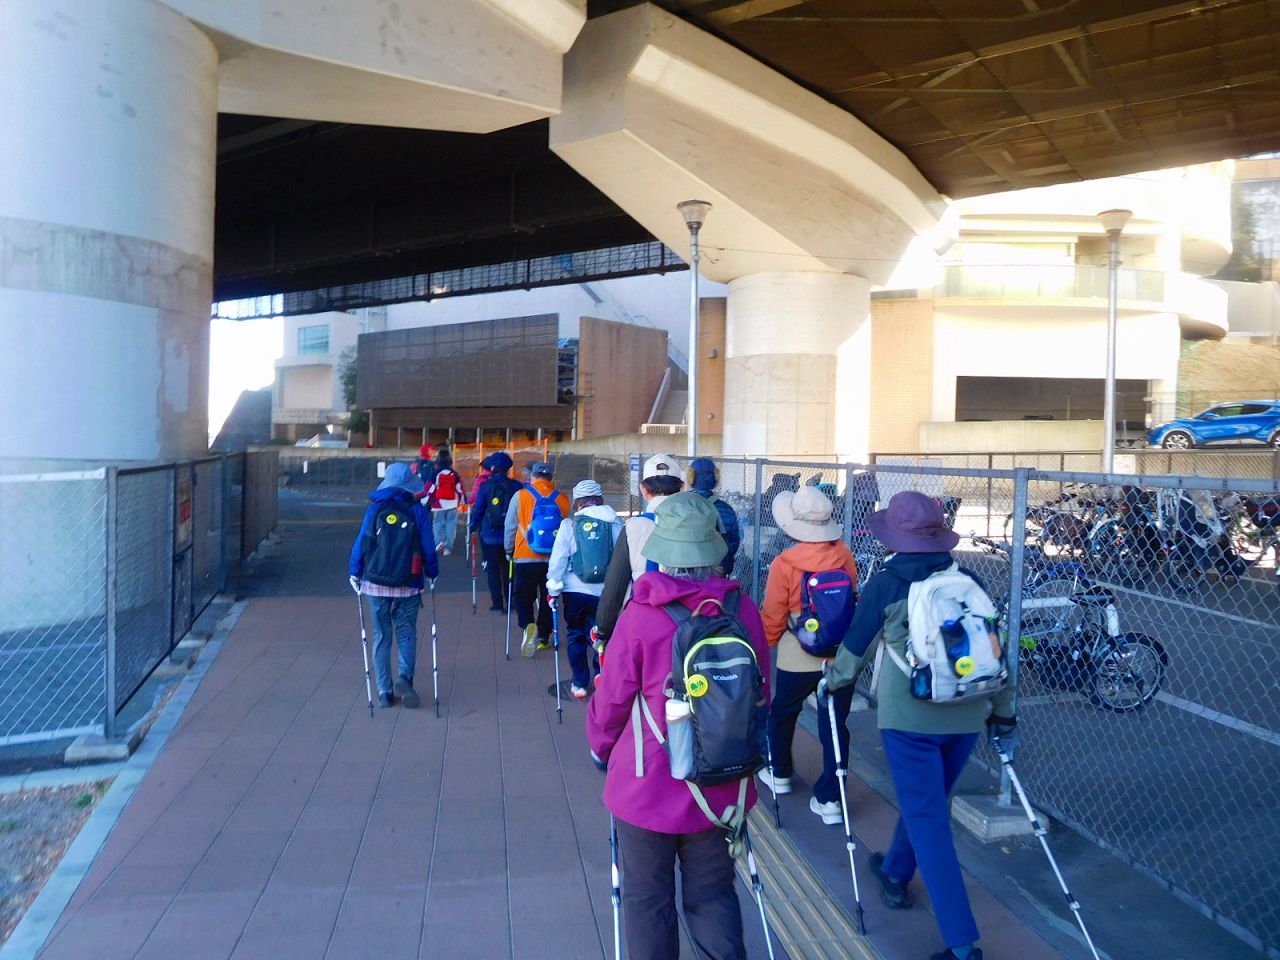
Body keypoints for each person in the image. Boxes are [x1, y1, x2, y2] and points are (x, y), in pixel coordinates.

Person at [820, 491, 1017, 960]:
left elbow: (855, 648)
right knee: (928, 802)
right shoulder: (967, 579)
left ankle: (963, 944)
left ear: (894, 537)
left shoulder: (888, 584)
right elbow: (994, 648)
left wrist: (832, 684)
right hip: (969, 711)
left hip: (909, 719)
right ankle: (894, 872)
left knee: (929, 818)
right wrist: (1004, 715)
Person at [586, 492, 770, 960]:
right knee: (713, 898)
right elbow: (760, 692)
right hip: (721, 786)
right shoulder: (742, 611)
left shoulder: (640, 617)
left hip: (647, 787)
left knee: (648, 903)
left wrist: (601, 747)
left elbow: (611, 701)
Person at [757, 485, 859, 826]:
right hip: (839, 655)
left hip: (796, 652)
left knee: (783, 712)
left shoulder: (784, 563)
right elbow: (853, 596)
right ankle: (831, 799)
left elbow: (773, 613)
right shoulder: (843, 554)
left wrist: (770, 642)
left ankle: (780, 773)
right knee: (834, 723)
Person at [347, 462, 440, 708]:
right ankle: (404, 678)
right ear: (409, 484)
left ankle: (384, 692)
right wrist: (432, 572)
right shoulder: (418, 511)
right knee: (406, 631)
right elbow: (428, 547)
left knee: (381, 635)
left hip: (375, 582)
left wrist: (354, 571)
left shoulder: (375, 509)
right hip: (409, 582)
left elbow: (363, 541)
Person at [593, 452, 683, 642]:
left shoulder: (633, 527)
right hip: (688, 621)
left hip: (645, 621)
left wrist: (603, 628)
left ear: (643, 489)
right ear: (681, 488)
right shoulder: (699, 523)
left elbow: (615, 586)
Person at [546, 479, 622, 698]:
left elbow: (558, 560)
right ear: (600, 499)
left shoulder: (569, 525)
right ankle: (602, 674)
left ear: (577, 501)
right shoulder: (615, 522)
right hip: (605, 593)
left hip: (574, 591)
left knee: (575, 635)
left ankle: (579, 683)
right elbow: (620, 559)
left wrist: (553, 589)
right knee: (602, 635)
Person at [504, 460, 570, 657]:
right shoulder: (563, 499)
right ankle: (543, 637)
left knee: (523, 595)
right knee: (549, 597)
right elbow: (568, 529)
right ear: (551, 478)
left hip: (525, 555)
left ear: (533, 476)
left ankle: (527, 625)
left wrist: (509, 550)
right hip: (554, 558)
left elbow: (510, 525)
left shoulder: (521, 495)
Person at [469, 452, 519, 612]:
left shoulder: (485, 486)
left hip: (489, 535)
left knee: (493, 570)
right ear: (507, 469)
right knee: (509, 570)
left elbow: (478, 510)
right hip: (511, 536)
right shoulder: (516, 486)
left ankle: (497, 604)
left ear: (492, 468)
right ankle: (510, 602)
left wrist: (472, 526)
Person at [689, 456, 741, 576]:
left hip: (688, 570)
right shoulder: (726, 509)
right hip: (718, 569)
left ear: (691, 477)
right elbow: (733, 543)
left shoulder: (683, 505)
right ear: (715, 477)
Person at [429, 449, 466, 556]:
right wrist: (463, 501)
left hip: (438, 504)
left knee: (438, 523)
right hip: (452, 503)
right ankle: (448, 547)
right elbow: (459, 489)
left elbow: (430, 489)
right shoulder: (454, 473)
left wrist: (427, 500)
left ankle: (439, 543)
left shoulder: (435, 473)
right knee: (451, 524)